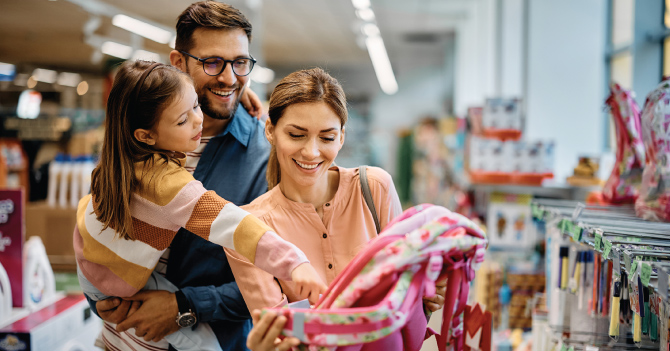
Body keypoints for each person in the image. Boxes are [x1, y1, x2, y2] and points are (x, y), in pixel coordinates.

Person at [74, 60, 327, 351]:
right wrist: (295, 263)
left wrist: (239, 93)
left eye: (196, 105)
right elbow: (235, 225)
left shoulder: (121, 158)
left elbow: (147, 89)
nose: (199, 121)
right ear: (146, 135)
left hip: (91, 259)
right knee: (205, 345)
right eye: (183, 119)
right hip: (115, 281)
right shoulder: (168, 186)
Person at [89, 2, 281, 351]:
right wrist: (99, 295)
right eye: (212, 62)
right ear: (178, 63)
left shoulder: (264, 156)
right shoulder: (139, 134)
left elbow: (276, 280)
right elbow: (101, 225)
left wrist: (185, 306)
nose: (228, 77)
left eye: (240, 62)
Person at [229, 68, 447, 350]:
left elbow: (406, 295)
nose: (311, 151)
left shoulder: (374, 188)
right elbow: (281, 333)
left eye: (327, 137)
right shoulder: (250, 229)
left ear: (342, 136)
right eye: (296, 135)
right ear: (270, 130)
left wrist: (427, 291)